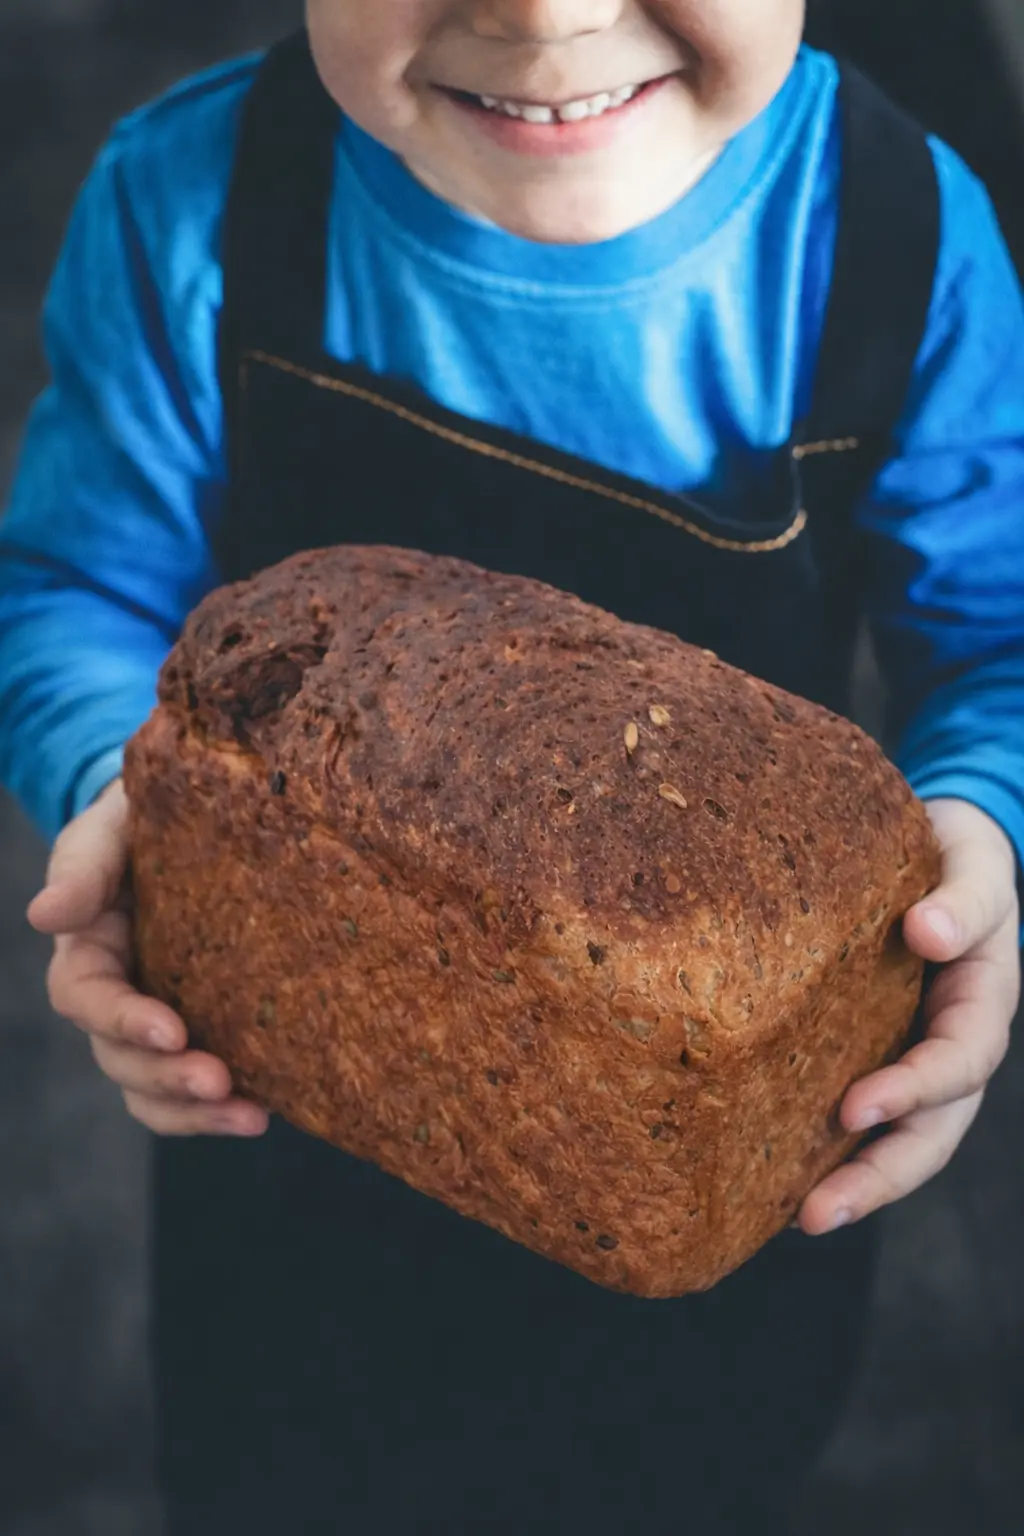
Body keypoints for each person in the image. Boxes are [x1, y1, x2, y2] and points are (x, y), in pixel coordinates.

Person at [2, 2, 1021, 1531]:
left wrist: (982, 822)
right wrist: (120, 792)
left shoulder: (897, 235)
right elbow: (73, 589)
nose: (548, 12)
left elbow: (1000, 639)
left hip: (725, 1193)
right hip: (287, 1164)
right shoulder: (192, 200)